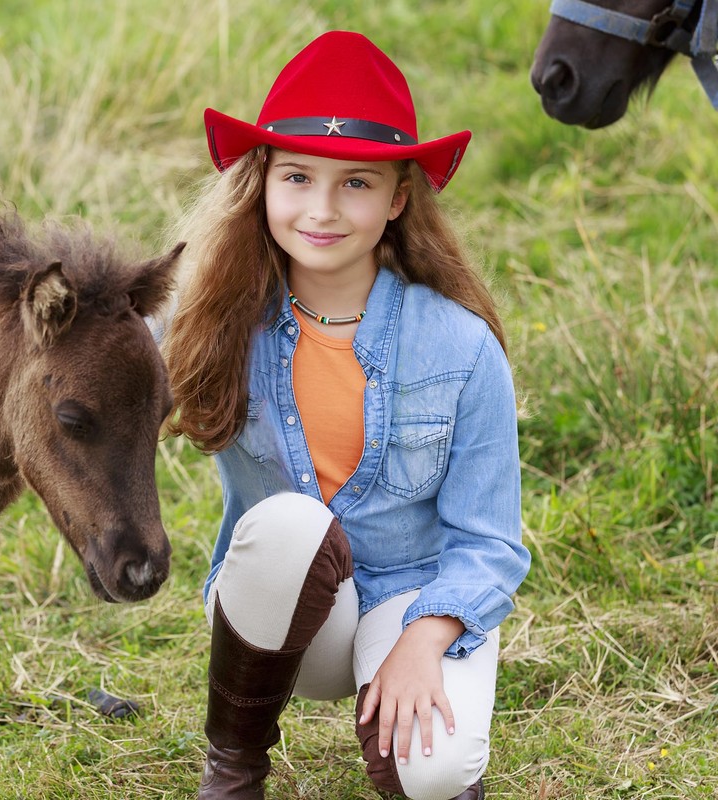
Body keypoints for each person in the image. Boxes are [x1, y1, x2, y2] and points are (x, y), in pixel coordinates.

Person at [162, 30, 531, 800]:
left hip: (412, 597)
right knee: (289, 522)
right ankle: (232, 770)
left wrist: (424, 640)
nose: (322, 210)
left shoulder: (461, 348)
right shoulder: (217, 321)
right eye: (297, 176)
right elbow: (102, 357)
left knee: (436, 774)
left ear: (398, 198)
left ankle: (416, 731)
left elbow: (490, 543)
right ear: (262, 185)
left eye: (356, 184)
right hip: (286, 614)